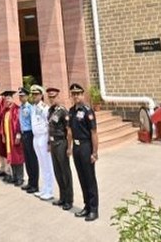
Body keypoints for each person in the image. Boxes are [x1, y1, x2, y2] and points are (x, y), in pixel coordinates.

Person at [69, 83, 100, 222]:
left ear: (82, 94)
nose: (76, 96)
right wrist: (69, 147)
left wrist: (94, 152)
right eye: (73, 94)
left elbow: (93, 133)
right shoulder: (71, 111)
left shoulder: (88, 111)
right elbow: (69, 131)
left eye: (78, 94)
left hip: (86, 146)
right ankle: (86, 206)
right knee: (81, 177)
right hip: (76, 147)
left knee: (90, 179)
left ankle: (94, 209)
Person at [47, 87, 73, 211]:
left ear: (58, 96)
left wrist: (69, 147)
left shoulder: (63, 111)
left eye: (53, 97)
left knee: (65, 172)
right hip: (53, 143)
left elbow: (68, 130)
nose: (52, 99)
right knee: (57, 171)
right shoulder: (50, 110)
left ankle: (69, 199)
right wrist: (48, 143)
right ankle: (62, 197)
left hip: (61, 143)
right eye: (50, 97)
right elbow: (49, 127)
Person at [31, 85, 54, 200]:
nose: (34, 96)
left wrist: (49, 141)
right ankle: (44, 188)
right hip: (36, 138)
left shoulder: (45, 108)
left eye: (36, 94)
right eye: (33, 94)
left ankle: (49, 190)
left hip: (44, 137)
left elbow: (49, 124)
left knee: (47, 164)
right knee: (41, 164)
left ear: (41, 95)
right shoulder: (33, 107)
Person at [0, 89, 25, 186]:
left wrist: (18, 136)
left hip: (15, 137)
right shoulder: (5, 111)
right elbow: (2, 125)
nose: (7, 100)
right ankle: (14, 176)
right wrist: (3, 135)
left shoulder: (17, 109)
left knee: (18, 157)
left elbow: (19, 124)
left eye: (9, 98)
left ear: (12, 99)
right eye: (6, 99)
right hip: (8, 138)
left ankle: (20, 178)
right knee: (11, 157)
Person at [18, 87, 39, 194]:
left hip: (30, 134)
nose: (21, 98)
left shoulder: (30, 108)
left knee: (32, 159)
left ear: (27, 96)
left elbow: (33, 122)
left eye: (22, 96)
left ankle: (35, 184)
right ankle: (30, 182)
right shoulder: (20, 108)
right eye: (20, 96)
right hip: (23, 135)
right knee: (27, 159)